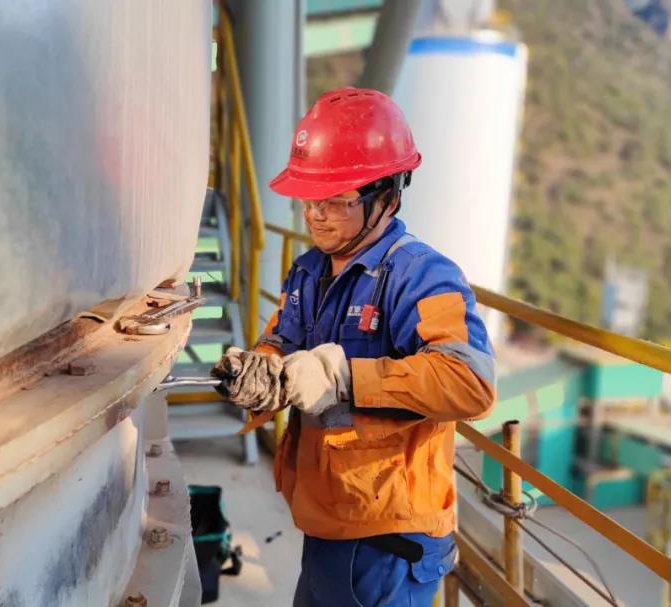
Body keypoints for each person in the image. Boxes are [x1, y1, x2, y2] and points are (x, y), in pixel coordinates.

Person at [211, 86, 497, 606]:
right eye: (308, 200)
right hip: (325, 514)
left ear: (387, 197)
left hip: (389, 536)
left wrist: (346, 377)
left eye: (336, 202)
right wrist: (261, 371)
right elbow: (281, 339)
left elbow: (470, 383)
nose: (315, 216)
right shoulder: (309, 270)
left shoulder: (421, 276)